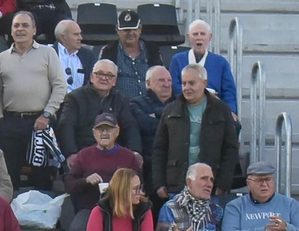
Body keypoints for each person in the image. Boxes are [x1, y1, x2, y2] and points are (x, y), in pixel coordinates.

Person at [0, 12, 64, 192]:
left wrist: (47, 114)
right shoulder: (0, 59)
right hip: (10, 124)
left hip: (40, 123)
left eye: (25, 25)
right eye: (16, 25)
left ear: (34, 30)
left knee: (42, 177)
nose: (20, 29)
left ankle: (43, 218)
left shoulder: (48, 53)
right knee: (8, 177)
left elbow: (60, 86)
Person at [152, 64, 239, 201]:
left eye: (191, 83)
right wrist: (159, 183)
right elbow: (159, 149)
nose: (186, 88)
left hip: (211, 188)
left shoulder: (221, 110)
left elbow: (230, 148)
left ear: (204, 83)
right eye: (184, 83)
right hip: (177, 186)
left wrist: (223, 183)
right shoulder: (170, 110)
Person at [55, 59, 140, 159]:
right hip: (82, 154)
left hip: (114, 154)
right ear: (91, 77)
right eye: (99, 74)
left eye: (109, 75)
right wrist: (71, 154)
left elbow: (130, 126)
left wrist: (135, 151)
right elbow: (66, 126)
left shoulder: (121, 100)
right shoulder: (75, 98)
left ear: (114, 81)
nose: (104, 78)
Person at [63, 112, 143, 214]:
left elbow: (139, 185)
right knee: (77, 229)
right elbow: (69, 185)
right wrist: (86, 181)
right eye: (100, 129)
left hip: (121, 210)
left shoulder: (128, 156)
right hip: (90, 209)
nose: (104, 133)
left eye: (109, 129)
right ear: (94, 132)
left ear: (117, 131)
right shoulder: (84, 155)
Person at [169, 19, 237, 117]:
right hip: (184, 108)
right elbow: (174, 86)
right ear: (189, 37)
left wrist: (230, 111)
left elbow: (229, 91)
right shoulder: (177, 60)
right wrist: (204, 94)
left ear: (210, 37)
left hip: (215, 110)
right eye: (195, 34)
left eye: (203, 34)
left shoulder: (221, 62)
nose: (199, 37)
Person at [100, 9, 157, 103]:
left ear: (140, 29)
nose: (130, 33)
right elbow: (102, 82)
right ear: (117, 30)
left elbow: (161, 79)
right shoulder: (109, 51)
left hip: (149, 106)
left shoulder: (152, 50)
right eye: (126, 30)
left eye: (134, 29)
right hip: (119, 107)